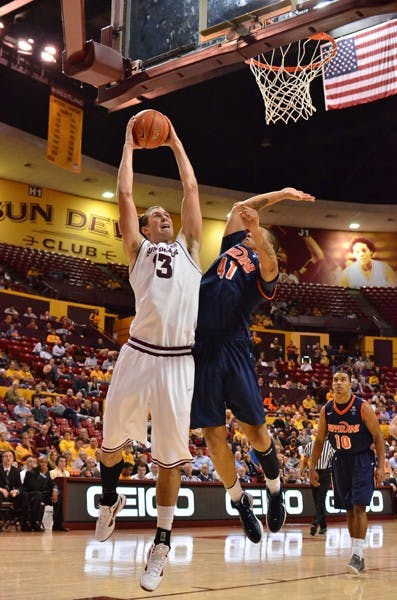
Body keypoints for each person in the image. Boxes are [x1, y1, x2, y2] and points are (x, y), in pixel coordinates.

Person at [94, 115, 202, 593]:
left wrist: (176, 142)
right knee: (110, 437)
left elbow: (192, 191)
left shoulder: (191, 248)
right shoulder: (136, 249)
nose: (165, 216)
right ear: (141, 227)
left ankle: (161, 544)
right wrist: (128, 145)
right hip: (137, 353)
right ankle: (110, 500)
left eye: (167, 214)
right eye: (155, 214)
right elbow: (124, 195)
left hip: (178, 359)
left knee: (170, 459)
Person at [191, 187, 314, 543]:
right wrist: (281, 194)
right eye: (246, 232)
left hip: (234, 346)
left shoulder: (264, 266)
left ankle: (276, 493)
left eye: (255, 235)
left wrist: (258, 233)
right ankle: (239, 501)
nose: (247, 232)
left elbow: (271, 265)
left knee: (256, 432)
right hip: (203, 346)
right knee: (213, 437)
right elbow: (240, 206)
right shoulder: (233, 244)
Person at [309, 368, 385, 576]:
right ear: (332, 385)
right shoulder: (327, 410)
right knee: (349, 509)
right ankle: (357, 554)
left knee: (359, 506)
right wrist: (312, 466)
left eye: (343, 380)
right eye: (336, 380)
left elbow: (378, 436)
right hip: (340, 461)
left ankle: (357, 554)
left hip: (361, 459)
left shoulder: (362, 407)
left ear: (350, 384)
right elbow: (319, 441)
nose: (339, 383)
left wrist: (380, 466)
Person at [299, 436, 334, 535]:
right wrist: (301, 471)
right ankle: (323, 526)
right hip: (313, 472)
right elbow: (305, 459)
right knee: (316, 500)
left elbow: (333, 461)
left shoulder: (330, 445)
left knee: (321, 498)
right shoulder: (309, 445)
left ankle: (315, 523)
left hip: (325, 474)